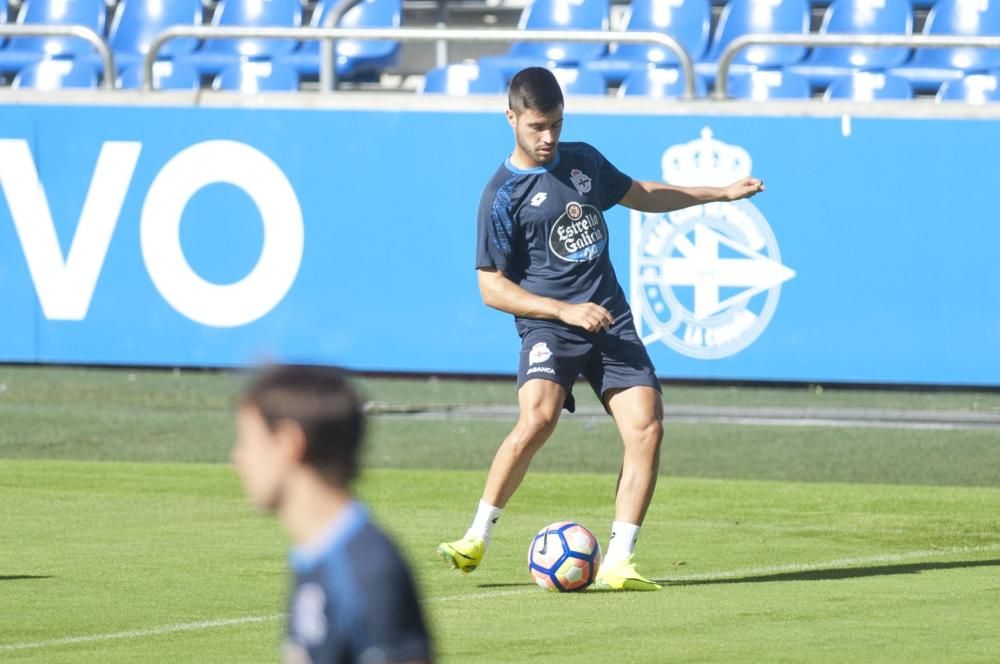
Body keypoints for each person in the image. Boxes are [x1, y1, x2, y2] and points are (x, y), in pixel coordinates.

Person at [437, 67, 765, 591]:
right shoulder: (501, 196)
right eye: (537, 127)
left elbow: (643, 193)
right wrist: (563, 311)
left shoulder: (583, 160)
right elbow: (491, 288)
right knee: (539, 419)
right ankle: (476, 535)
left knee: (647, 426)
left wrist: (718, 194)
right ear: (512, 119)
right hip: (551, 325)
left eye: (556, 125)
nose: (548, 138)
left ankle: (619, 560)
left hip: (610, 318)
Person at [233, 365, 433, 663]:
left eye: (248, 441)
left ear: (289, 444)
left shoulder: (364, 570)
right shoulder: (316, 553)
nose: (237, 458)